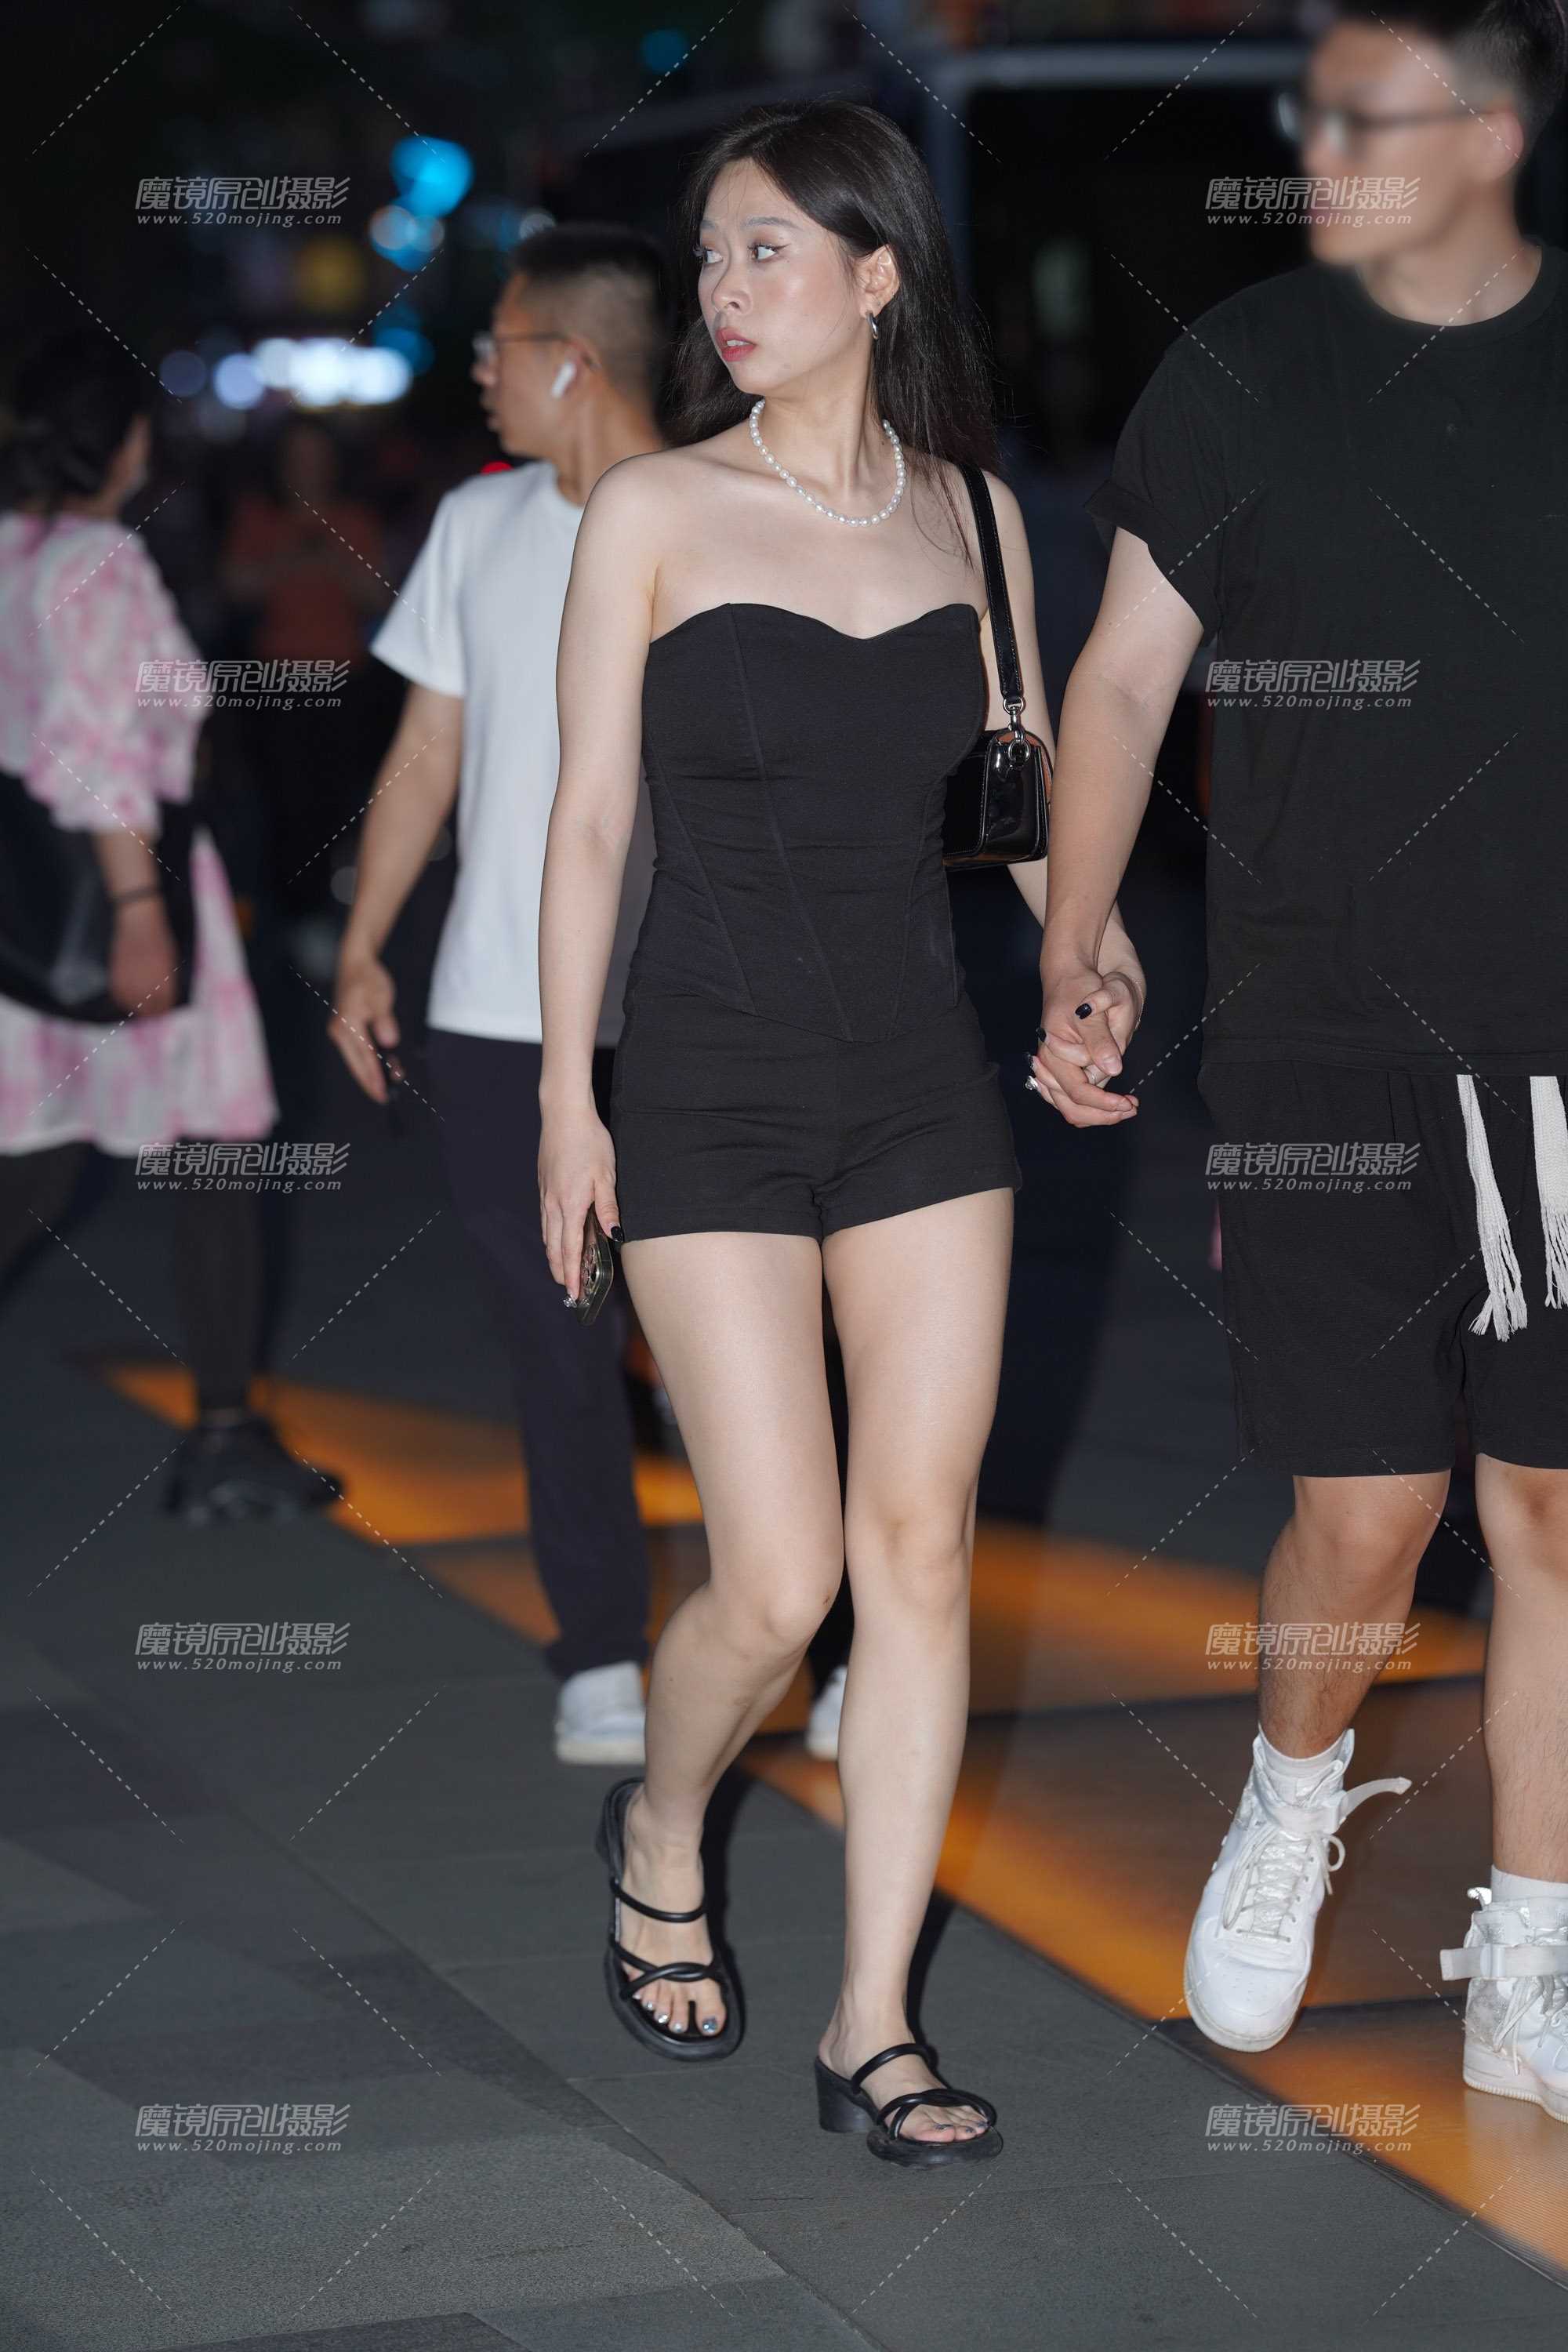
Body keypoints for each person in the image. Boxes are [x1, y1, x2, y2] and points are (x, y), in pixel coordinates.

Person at [539, 97, 1141, 2163]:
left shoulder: (973, 520)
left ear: (877, 274)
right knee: (782, 1577)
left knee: (922, 1553)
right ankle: (665, 1822)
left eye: (765, 250)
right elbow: (589, 822)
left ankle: (873, 2021)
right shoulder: (653, 509)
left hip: (920, 1090)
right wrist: (566, 1094)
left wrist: (1089, 966)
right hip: (705, 1081)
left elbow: (1034, 796)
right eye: (710, 255)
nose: (722, 290)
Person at [1034, 0, 1568, 2114]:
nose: (1314, 138)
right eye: (1309, 104)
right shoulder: (1246, 366)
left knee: (1551, 1504)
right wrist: (1077, 942)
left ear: (1494, 130)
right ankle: (1287, 1792)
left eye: (1363, 108)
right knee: (1365, 1510)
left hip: (1556, 1048)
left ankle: (1531, 1940)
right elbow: (1118, 683)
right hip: (1320, 1033)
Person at [332, 226, 666, 1765]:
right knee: (558, 1339)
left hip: (688, 1008)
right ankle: (601, 1651)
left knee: (745, 1342)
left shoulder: (718, 514)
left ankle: (831, 1631)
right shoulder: (478, 523)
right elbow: (427, 749)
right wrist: (364, 943)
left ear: (572, 360)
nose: (479, 371)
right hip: (493, 1011)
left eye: (499, 345)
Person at [0, 330, 341, 1523]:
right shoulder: (96, 563)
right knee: (218, 1147)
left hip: (26, 909)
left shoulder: (11, 551)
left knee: (40, 1155)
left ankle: (228, 1432)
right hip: (119, 888)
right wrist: (142, 910)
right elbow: (98, 749)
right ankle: (225, 1439)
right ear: (126, 441)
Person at [222, 419, 390, 931]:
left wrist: (332, 559)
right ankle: (291, 914)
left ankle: (336, 907)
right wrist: (289, 558)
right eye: (297, 458)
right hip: (280, 677)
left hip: (343, 677)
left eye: (316, 457)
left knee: (340, 797)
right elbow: (235, 586)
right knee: (284, 800)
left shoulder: (354, 519)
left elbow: (379, 595)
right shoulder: (260, 516)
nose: (307, 468)